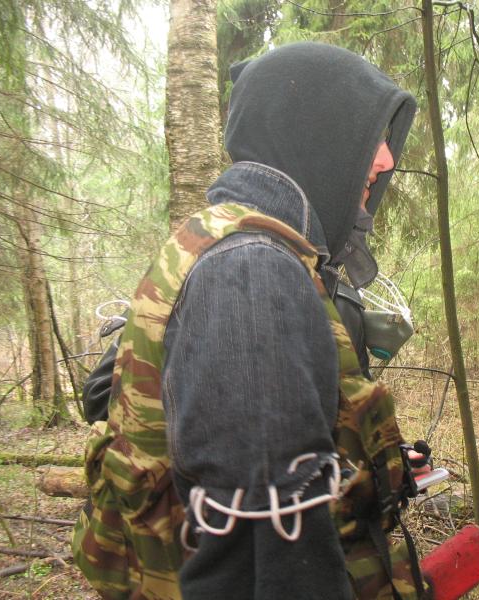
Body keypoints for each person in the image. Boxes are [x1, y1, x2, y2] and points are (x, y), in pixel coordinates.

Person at [73, 42, 424, 600]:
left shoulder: (229, 241)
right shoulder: (252, 271)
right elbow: (265, 560)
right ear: (311, 138)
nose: (386, 160)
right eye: (369, 137)